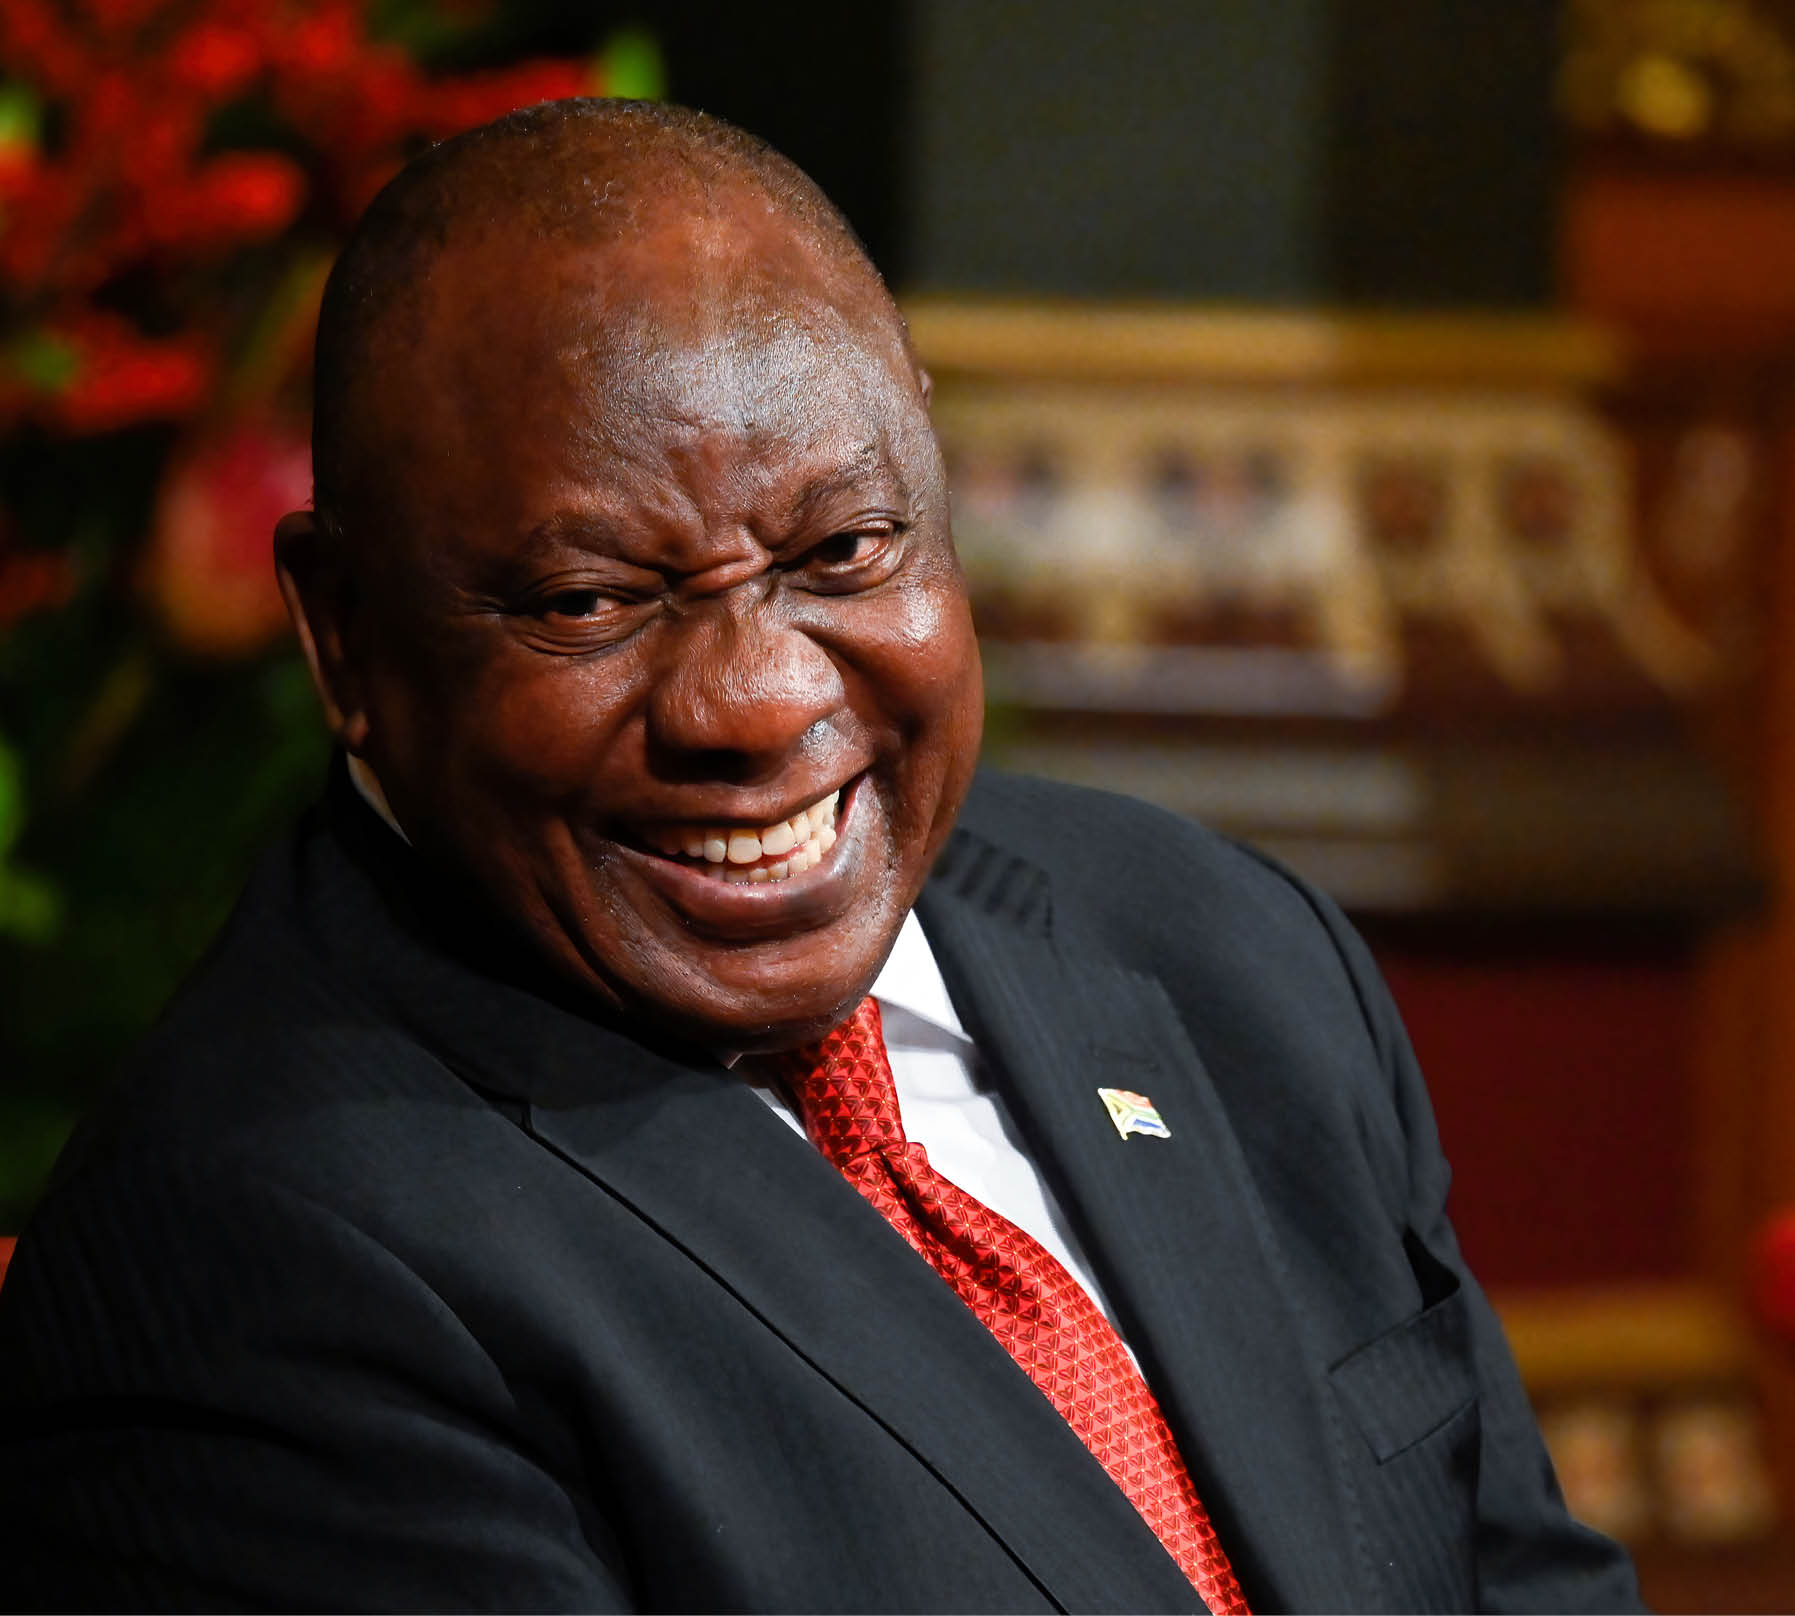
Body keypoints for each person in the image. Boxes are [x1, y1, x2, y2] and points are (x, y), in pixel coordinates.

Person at [0, 100, 1641, 1613]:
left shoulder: (1223, 953)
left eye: (842, 551)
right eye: (589, 603)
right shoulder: (260, 1261)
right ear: (347, 641)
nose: (758, 700)